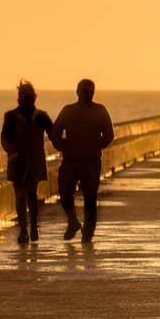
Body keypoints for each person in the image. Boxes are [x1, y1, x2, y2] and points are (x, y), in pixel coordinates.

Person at [50, 78, 114, 242]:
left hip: (91, 161)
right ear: (77, 92)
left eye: (91, 91)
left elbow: (109, 135)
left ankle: (88, 233)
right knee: (64, 194)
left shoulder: (99, 110)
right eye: (85, 91)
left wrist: (95, 146)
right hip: (70, 160)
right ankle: (73, 221)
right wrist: (62, 146)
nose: (88, 94)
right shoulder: (68, 110)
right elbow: (55, 132)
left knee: (90, 198)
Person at [0, 80, 53, 244]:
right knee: (19, 196)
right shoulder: (11, 116)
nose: (31, 100)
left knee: (32, 194)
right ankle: (23, 229)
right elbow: (4, 138)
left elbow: (53, 133)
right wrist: (11, 151)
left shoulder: (42, 116)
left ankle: (34, 227)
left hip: (35, 161)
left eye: (33, 96)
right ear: (20, 98)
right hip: (18, 162)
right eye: (27, 97)